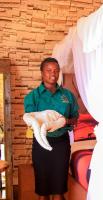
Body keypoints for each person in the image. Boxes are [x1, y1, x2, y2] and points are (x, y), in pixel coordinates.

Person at [24, 57, 79, 200]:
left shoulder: (68, 96)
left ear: (59, 72)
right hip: (41, 144)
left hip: (61, 143)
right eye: (48, 70)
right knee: (43, 192)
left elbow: (75, 118)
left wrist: (65, 121)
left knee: (59, 190)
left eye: (55, 70)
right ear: (42, 73)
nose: (52, 73)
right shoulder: (32, 97)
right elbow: (31, 119)